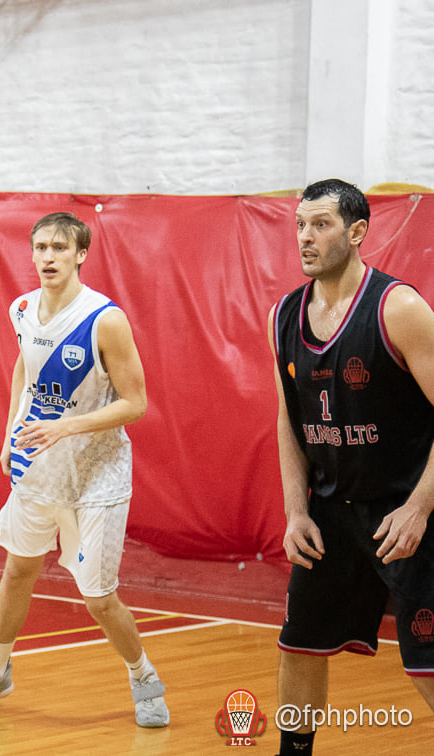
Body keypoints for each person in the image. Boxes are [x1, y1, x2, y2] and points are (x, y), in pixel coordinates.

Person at [0, 211, 169, 728]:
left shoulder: (105, 319)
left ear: (80, 254)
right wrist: (10, 431)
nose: (47, 257)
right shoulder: (22, 309)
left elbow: (135, 403)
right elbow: (24, 364)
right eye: (40, 247)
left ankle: (143, 675)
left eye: (59, 248)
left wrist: (68, 426)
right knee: (18, 569)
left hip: (96, 478)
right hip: (38, 467)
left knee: (98, 598)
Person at [269, 179, 434, 755]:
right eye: (299, 225)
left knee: (427, 668)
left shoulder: (399, 308)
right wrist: (295, 511)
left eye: (320, 225)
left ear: (358, 232)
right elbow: (289, 422)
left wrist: (419, 507)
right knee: (300, 646)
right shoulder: (284, 315)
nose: (305, 237)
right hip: (330, 513)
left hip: (406, 512)